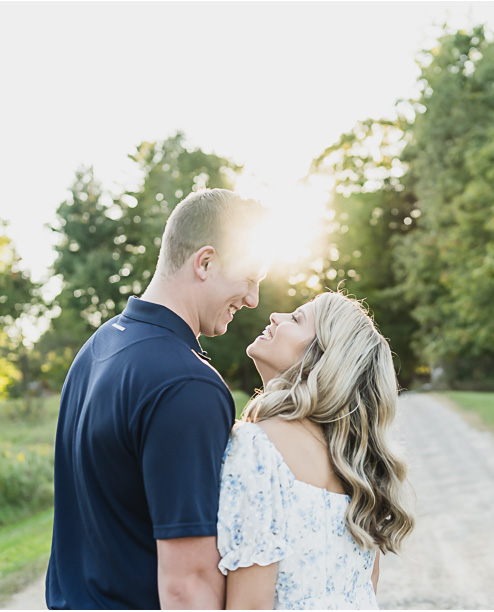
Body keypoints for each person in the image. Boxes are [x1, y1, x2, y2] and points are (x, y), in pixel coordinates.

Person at [46, 188, 268, 609]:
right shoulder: (187, 385)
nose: (253, 299)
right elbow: (189, 586)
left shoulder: (100, 346)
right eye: (250, 279)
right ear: (205, 263)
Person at [217, 292, 415, 609]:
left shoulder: (256, 448)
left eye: (296, 319)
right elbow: (367, 591)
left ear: (320, 359)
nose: (275, 316)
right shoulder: (359, 464)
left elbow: (248, 605)